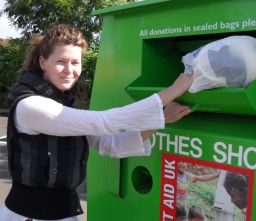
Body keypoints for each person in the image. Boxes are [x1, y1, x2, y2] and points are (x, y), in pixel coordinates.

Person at [1, 24, 194, 221]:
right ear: (43, 62)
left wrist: (161, 120)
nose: (69, 70)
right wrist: (175, 89)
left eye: (75, 62)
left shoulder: (65, 105)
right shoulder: (31, 105)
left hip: (63, 215)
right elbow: (107, 121)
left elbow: (110, 144)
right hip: (27, 216)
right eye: (61, 61)